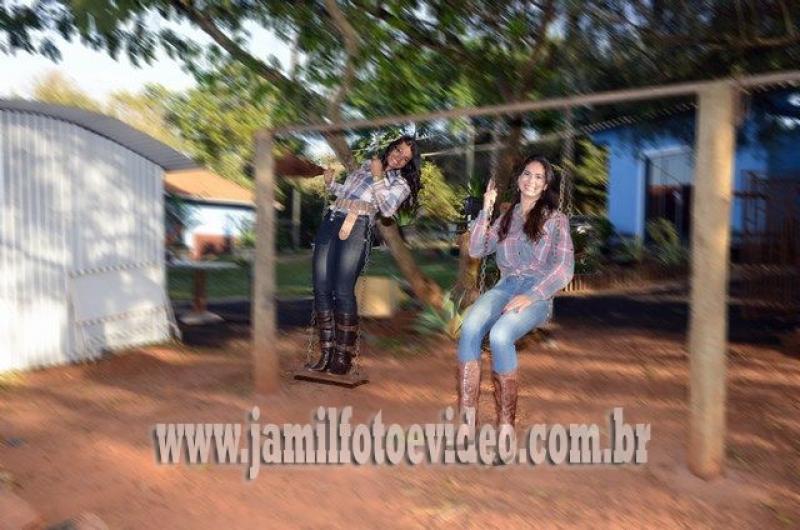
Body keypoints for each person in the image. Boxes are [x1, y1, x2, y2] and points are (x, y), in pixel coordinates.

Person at [458, 154, 574, 429]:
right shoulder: (505, 219)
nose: (531, 181)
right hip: (505, 286)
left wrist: (531, 295)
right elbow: (476, 249)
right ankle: (466, 421)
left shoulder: (556, 220)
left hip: (537, 293)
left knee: (500, 335)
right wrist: (486, 209)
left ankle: (506, 426)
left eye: (539, 177)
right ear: (519, 179)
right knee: (470, 327)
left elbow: (564, 268)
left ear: (545, 185)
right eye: (527, 174)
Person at [307, 135, 422, 375]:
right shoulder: (365, 165)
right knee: (321, 287)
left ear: (408, 164)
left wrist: (379, 176)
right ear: (391, 147)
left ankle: (342, 356)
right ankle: (326, 353)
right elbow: (348, 192)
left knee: (342, 290)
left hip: (357, 227)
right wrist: (331, 184)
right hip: (331, 220)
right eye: (398, 150)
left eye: (405, 158)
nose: (399, 157)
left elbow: (387, 209)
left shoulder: (400, 184)